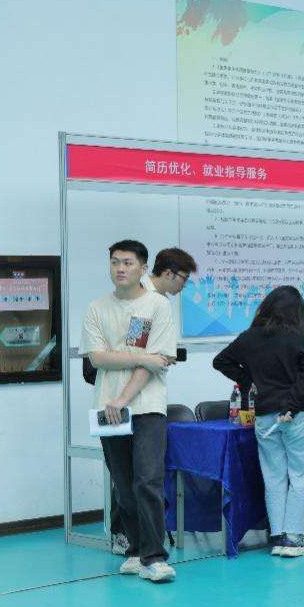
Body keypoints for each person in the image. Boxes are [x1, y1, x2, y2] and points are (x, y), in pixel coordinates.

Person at [81, 240, 178, 583]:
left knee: (147, 480)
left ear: (142, 268)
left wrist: (122, 397)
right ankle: (136, 551)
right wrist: (144, 357)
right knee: (123, 484)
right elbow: (97, 358)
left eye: (127, 263)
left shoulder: (155, 305)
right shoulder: (97, 308)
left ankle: (155, 557)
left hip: (146, 406)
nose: (120, 268)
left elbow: (152, 365)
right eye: (115, 262)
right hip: (106, 409)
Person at [214, 286, 304, 558]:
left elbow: (220, 361)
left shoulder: (250, 337)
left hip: (264, 415)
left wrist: (248, 379)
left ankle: (277, 535)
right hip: (297, 416)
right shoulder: (297, 337)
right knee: (300, 474)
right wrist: (292, 405)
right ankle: (294, 537)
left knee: (273, 476)